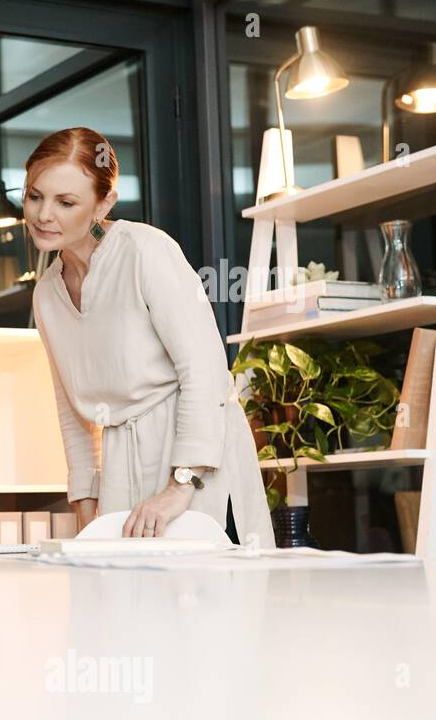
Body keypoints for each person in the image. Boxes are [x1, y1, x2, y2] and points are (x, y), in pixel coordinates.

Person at [24, 127, 274, 546]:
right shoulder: (46, 295)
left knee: (212, 602)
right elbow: (71, 410)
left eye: (66, 202)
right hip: (123, 467)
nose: (44, 214)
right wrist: (86, 507)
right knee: (135, 604)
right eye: (35, 196)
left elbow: (205, 369)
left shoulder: (145, 251)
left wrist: (181, 485)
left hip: (196, 460)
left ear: (103, 204)